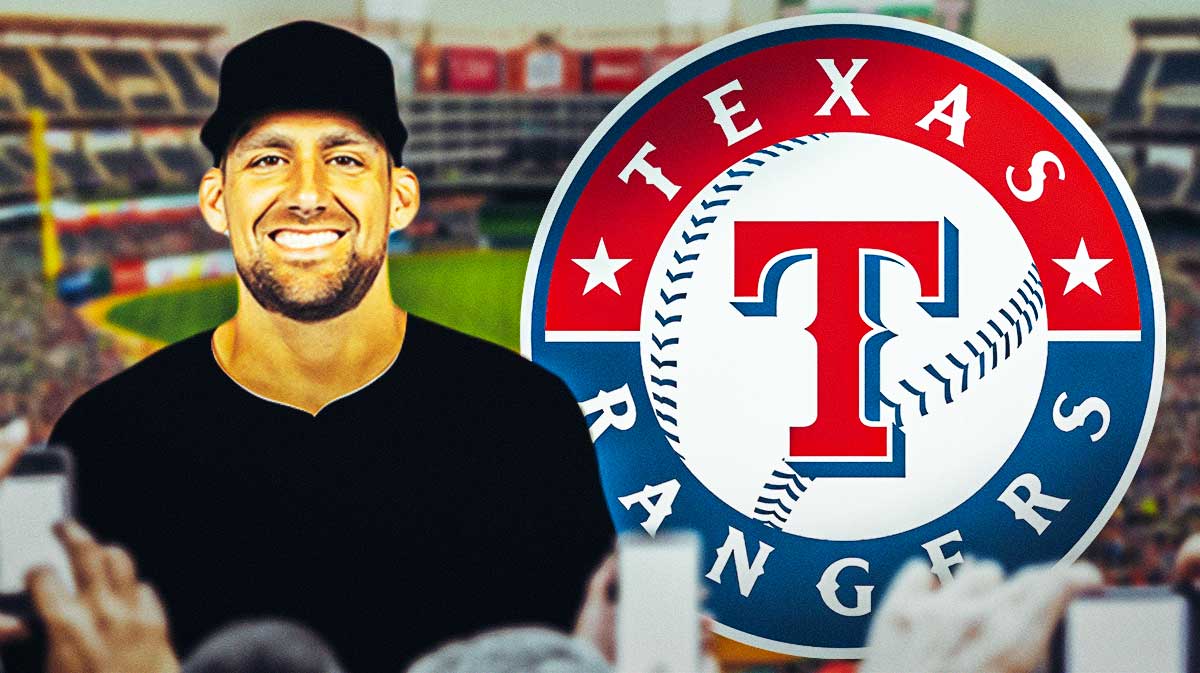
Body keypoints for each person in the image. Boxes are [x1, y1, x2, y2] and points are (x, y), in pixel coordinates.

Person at [1, 20, 614, 672]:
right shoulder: (105, 437)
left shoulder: (524, 419)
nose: (306, 195)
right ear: (215, 199)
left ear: (400, 196)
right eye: (268, 159)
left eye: (344, 158)